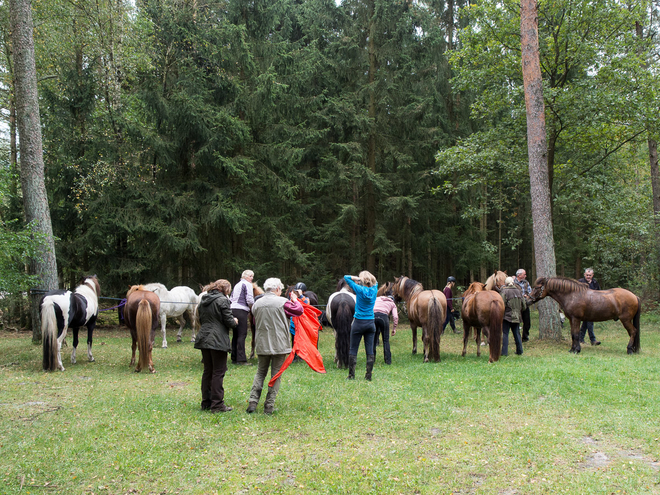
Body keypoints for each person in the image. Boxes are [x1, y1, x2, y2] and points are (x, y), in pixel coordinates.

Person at [247, 278, 304, 415]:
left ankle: (253, 402)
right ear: (278, 289)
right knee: (276, 375)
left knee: (260, 372)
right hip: (279, 344)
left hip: (262, 343)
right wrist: (295, 300)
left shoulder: (256, 304)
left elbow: (255, 320)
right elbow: (299, 310)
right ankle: (269, 405)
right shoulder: (283, 302)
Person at [194, 279, 239, 413]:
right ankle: (217, 404)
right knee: (218, 371)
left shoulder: (204, 299)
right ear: (225, 289)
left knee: (208, 371)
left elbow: (200, 318)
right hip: (217, 339)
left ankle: (206, 402)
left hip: (204, 337)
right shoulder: (222, 300)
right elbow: (228, 320)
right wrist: (235, 321)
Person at [344, 271, 378, 380]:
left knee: (353, 349)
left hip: (358, 322)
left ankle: (351, 375)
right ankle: (368, 376)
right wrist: (367, 279)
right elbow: (375, 281)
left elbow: (346, 277)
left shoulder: (359, 289)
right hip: (370, 323)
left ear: (362, 280)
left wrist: (357, 278)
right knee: (370, 350)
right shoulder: (375, 289)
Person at [229, 270, 255, 365]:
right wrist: (253, 307)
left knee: (235, 334)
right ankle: (241, 359)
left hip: (233, 309)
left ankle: (234, 357)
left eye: (252, 276)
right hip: (241, 310)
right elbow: (249, 299)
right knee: (242, 334)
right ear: (245, 276)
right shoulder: (247, 284)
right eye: (250, 276)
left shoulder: (237, 284)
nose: (252, 278)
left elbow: (231, 298)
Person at [500, 276, 526, 356]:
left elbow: (502, 304)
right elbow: (524, 306)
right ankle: (520, 350)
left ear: (506, 283)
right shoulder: (519, 291)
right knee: (517, 333)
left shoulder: (504, 292)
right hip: (517, 316)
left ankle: (504, 352)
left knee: (505, 334)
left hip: (507, 317)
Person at [373, 294, 398, 365]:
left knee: (373, 340)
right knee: (385, 340)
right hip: (384, 318)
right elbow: (395, 317)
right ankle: (388, 361)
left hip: (373, 316)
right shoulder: (392, 303)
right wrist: (394, 328)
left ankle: (371, 359)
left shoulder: (376, 299)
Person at [578, 268, 601, 346]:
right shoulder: (580, 282)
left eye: (590, 275)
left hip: (593, 306)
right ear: (584, 275)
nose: (588, 276)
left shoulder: (595, 283)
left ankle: (580, 339)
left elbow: (599, 293)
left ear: (592, 275)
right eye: (587, 275)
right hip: (583, 306)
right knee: (589, 322)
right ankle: (593, 340)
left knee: (586, 322)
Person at [514, 269, 532, 342]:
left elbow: (530, 292)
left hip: (525, 304)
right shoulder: (512, 282)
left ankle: (525, 337)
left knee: (527, 322)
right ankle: (517, 337)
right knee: (516, 322)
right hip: (516, 305)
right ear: (519, 275)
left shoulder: (526, 283)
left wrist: (527, 296)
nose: (525, 276)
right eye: (524, 274)